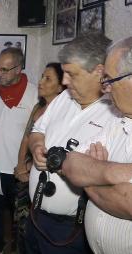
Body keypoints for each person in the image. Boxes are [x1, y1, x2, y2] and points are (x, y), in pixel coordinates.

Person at [26, 33, 118, 254]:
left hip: (72, 229)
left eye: (71, 74)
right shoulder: (65, 97)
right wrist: (37, 147)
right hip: (36, 216)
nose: (64, 81)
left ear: (98, 72)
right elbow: (37, 130)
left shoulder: (116, 113)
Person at [61, 36, 132, 254]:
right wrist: (114, 173)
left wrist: (92, 175)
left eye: (110, 80)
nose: (106, 89)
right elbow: (71, 163)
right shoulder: (121, 120)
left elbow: (127, 201)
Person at [0, 47, 38, 254]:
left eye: (5, 69)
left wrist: (29, 164)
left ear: (19, 68)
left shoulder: (35, 93)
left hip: (19, 169)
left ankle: (19, 248)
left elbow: (39, 133)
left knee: (20, 215)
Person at [13, 62, 65, 254]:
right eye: (42, 76)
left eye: (48, 78)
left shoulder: (65, 113)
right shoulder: (38, 107)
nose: (41, 82)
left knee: (39, 232)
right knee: (22, 228)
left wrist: (31, 167)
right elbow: (27, 138)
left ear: (61, 86)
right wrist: (20, 167)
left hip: (45, 178)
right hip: (26, 174)